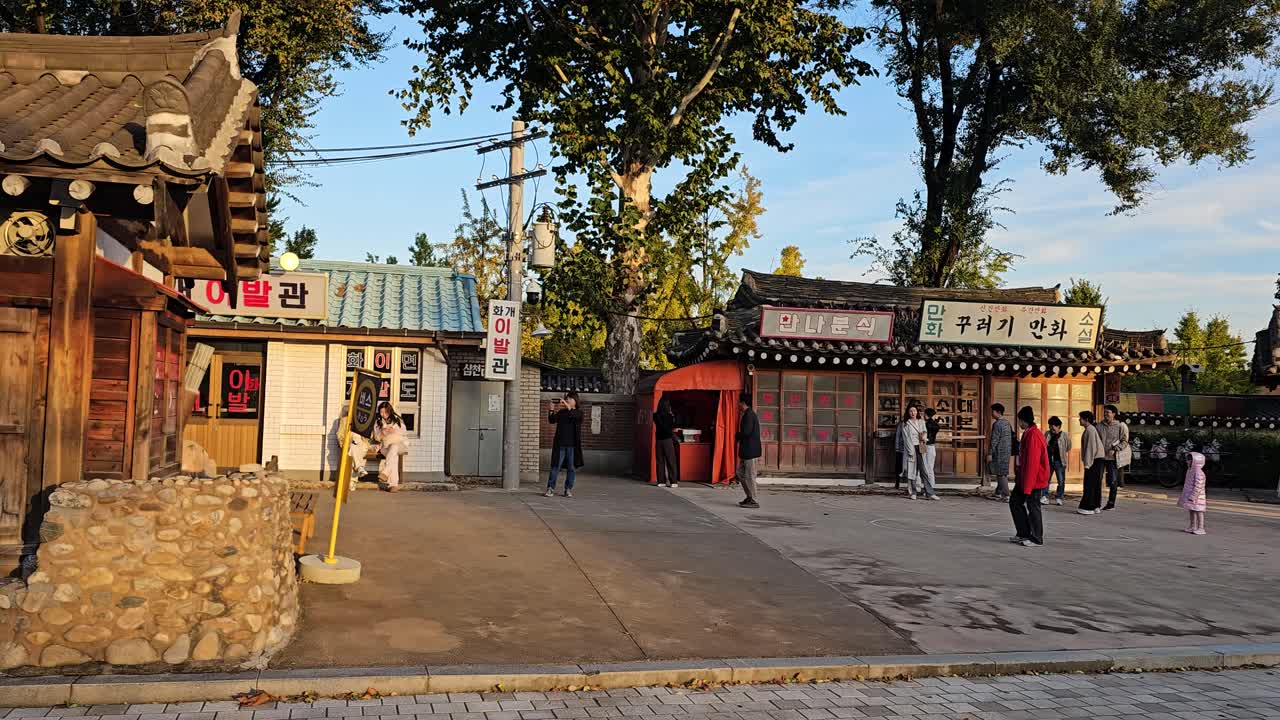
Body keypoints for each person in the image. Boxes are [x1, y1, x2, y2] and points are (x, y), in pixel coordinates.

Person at [1009, 406, 1049, 547]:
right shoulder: (1028, 433)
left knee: (1033, 507)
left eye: (1019, 420)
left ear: (1024, 420)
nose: (1019, 423)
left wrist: (1028, 485)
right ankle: (1023, 532)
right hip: (1024, 477)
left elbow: (1033, 462)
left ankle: (1037, 537)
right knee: (1014, 502)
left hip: (1034, 479)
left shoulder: (1034, 435)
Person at [546, 391, 584, 497]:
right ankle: (550, 488)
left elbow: (574, 416)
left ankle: (568, 489)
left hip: (572, 446)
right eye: (567, 398)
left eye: (570, 399)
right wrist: (551, 409)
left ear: (575, 401)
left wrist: (568, 407)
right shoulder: (562, 412)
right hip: (560, 444)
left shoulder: (579, 413)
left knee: (571, 468)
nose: (567, 400)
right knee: (555, 466)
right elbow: (552, 420)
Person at [1098, 405, 1130, 510]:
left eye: (1108, 412)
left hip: (1113, 458)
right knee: (1098, 480)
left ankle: (1111, 503)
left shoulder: (1120, 426)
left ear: (1114, 414)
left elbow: (1125, 441)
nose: (1106, 414)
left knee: (1112, 481)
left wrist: (1116, 448)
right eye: (1105, 412)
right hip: (1100, 457)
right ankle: (1096, 503)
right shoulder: (1099, 426)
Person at [374, 402, 408, 492]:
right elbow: (376, 437)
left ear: (390, 411)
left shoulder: (397, 420)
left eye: (385, 412)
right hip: (385, 447)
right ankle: (393, 485)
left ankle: (386, 472)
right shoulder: (378, 421)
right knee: (393, 455)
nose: (383, 415)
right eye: (381, 412)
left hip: (400, 445)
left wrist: (394, 430)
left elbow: (404, 433)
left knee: (394, 447)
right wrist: (382, 433)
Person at [735, 396, 762, 509]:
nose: (738, 405)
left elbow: (746, 432)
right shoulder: (747, 414)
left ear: (743, 403)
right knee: (740, 473)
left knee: (750, 476)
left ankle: (754, 500)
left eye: (739, 402)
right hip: (746, 451)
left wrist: (737, 435)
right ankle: (749, 496)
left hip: (751, 451)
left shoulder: (749, 415)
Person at [1077, 410, 1106, 515]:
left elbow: (1090, 448)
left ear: (1086, 420)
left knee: (1089, 484)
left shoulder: (1090, 430)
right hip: (1098, 459)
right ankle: (1096, 506)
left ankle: (1087, 507)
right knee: (1095, 483)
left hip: (1094, 460)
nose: (1079, 420)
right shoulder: (1090, 429)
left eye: (1080, 418)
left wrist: (1087, 464)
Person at [1043, 416, 1072, 506]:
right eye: (1050, 426)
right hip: (1048, 460)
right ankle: (1045, 496)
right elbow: (1044, 445)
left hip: (1060, 461)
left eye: (1053, 426)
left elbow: (1068, 447)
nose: (1051, 428)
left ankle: (1059, 497)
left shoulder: (1064, 435)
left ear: (1058, 426)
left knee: (1061, 480)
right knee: (1046, 479)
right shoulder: (1047, 434)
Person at [987, 403, 1013, 501]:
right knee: (1002, 473)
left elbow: (994, 440)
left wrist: (990, 453)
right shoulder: (1007, 423)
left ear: (998, 412)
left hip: (999, 452)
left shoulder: (997, 424)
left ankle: (1007, 495)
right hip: (1006, 451)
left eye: (992, 411)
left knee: (1001, 474)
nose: (991, 413)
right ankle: (998, 493)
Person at [900, 404, 927, 500]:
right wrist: (910, 450)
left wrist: (923, 435)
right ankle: (913, 492)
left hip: (921, 446)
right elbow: (906, 438)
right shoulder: (906, 423)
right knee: (912, 471)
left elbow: (924, 432)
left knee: (923, 470)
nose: (913, 413)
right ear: (908, 412)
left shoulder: (921, 421)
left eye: (914, 411)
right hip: (911, 448)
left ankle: (929, 492)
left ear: (917, 412)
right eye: (911, 411)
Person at [1178, 451, 1208, 535]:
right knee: (1192, 510)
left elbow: (1199, 485)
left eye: (1189, 460)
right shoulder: (1190, 470)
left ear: (1195, 461)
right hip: (1191, 496)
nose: (1187, 461)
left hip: (1198, 497)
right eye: (1187, 459)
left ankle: (1201, 528)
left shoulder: (1198, 472)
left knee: (1199, 511)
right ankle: (1193, 526)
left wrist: (1194, 496)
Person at [654, 396, 679, 488]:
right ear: (668, 405)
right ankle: (673, 482)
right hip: (667, 440)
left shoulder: (655, 415)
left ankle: (661, 481)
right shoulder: (670, 416)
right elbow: (671, 427)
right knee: (671, 461)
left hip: (658, 441)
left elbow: (661, 425)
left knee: (660, 461)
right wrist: (672, 416)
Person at [921, 408, 941, 501]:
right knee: (930, 469)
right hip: (931, 447)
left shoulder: (925, 424)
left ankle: (927, 490)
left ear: (926, 415)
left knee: (925, 468)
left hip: (924, 446)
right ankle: (930, 489)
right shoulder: (935, 425)